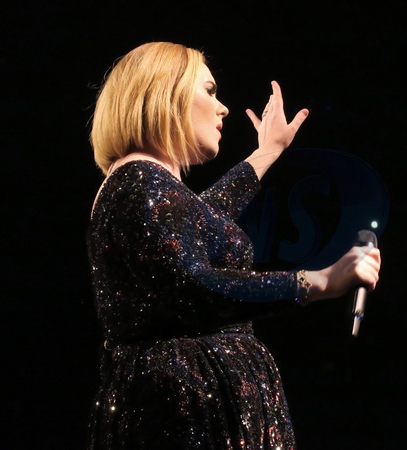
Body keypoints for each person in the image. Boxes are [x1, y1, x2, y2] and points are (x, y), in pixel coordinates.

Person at [86, 41, 381, 449]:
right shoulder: (138, 180)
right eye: (209, 91)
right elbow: (193, 287)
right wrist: (316, 281)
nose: (223, 108)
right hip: (186, 411)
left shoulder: (142, 183)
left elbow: (202, 225)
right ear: (164, 94)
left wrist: (267, 152)